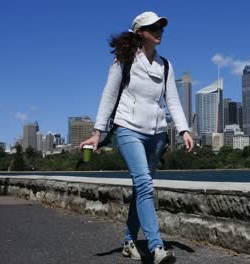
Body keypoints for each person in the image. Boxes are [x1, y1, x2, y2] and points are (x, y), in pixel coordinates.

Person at [80, 11, 193, 264]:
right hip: (128, 128)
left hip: (157, 135)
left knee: (142, 188)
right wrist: (98, 133)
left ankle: (129, 241)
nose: (159, 30)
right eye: (153, 27)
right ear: (140, 32)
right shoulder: (125, 60)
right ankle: (156, 248)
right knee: (144, 184)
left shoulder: (165, 65)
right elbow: (109, 95)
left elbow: (172, 100)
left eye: (161, 26)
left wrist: (184, 130)